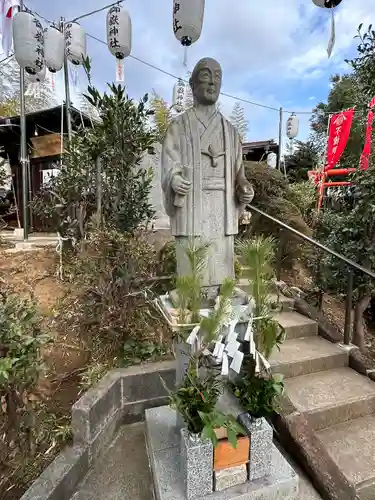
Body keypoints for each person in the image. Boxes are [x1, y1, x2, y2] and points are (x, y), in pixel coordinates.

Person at [161, 57, 254, 299]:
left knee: (219, 259)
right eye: (205, 75)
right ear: (192, 85)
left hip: (221, 208)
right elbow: (170, 164)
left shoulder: (230, 132)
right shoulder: (178, 127)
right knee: (193, 256)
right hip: (191, 205)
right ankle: (190, 294)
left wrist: (244, 189)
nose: (212, 82)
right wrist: (174, 180)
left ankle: (220, 292)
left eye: (217, 76)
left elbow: (238, 175)